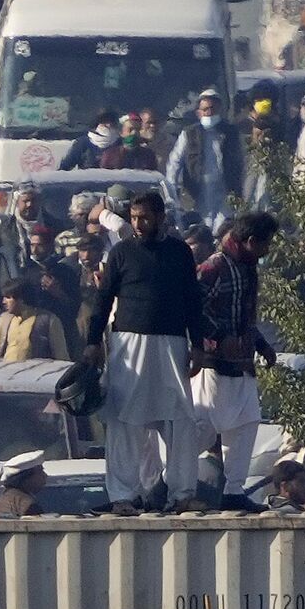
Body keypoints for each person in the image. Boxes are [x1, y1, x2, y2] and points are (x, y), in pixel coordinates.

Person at [85, 191, 206, 516]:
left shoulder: (179, 252)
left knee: (179, 419)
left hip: (171, 343)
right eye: (134, 218)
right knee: (124, 419)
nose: (138, 224)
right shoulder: (121, 253)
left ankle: (182, 495)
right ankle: (123, 496)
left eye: (145, 218)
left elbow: (193, 300)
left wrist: (199, 344)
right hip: (128, 344)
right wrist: (93, 341)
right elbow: (103, 299)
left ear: (160, 218)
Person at [194, 211, 279, 511]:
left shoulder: (247, 267)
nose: (268, 250)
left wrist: (261, 344)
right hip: (213, 364)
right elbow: (192, 307)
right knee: (203, 428)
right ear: (251, 241)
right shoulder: (215, 266)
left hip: (242, 364)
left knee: (247, 421)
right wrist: (217, 338)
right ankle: (171, 483)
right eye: (266, 244)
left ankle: (232, 490)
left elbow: (244, 317)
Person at [166, 91, 244, 228]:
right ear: (198, 113)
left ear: (219, 109)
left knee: (224, 226)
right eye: (205, 109)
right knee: (200, 226)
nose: (209, 112)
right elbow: (175, 162)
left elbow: (242, 160)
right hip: (197, 190)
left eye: (212, 108)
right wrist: (172, 190)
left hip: (225, 188)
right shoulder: (189, 133)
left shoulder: (231, 132)